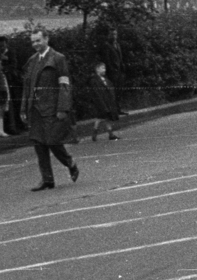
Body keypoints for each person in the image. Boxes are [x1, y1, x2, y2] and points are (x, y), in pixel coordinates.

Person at [22, 28, 78, 191]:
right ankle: (47, 179)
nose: (35, 44)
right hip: (36, 109)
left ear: (46, 39)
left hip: (52, 108)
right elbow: (27, 86)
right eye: (33, 42)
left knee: (53, 141)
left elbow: (65, 84)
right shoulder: (32, 60)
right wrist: (24, 108)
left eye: (38, 41)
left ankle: (70, 163)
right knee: (39, 144)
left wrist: (63, 107)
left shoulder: (58, 58)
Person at [83, 61, 122, 141]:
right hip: (100, 102)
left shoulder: (105, 79)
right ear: (97, 69)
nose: (104, 70)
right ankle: (95, 133)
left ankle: (110, 134)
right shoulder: (94, 81)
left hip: (107, 102)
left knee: (105, 118)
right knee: (100, 118)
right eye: (103, 68)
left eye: (105, 68)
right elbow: (96, 93)